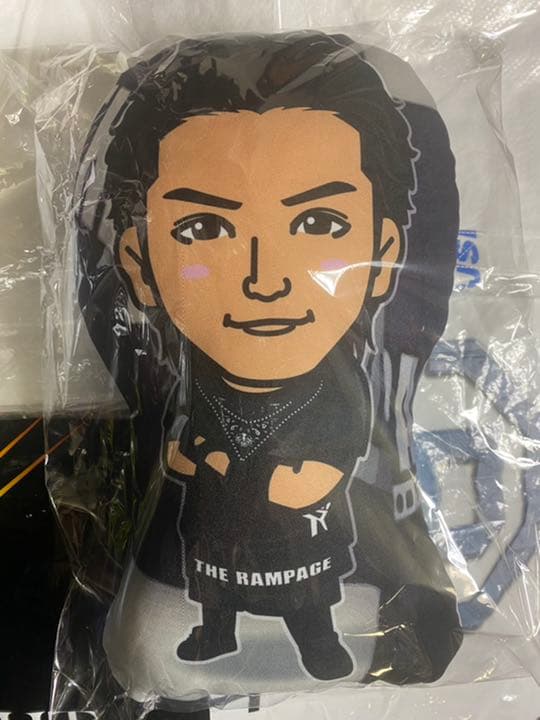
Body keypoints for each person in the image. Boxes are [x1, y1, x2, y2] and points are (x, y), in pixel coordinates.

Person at [76, 31, 462, 686]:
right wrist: (190, 460)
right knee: (212, 588)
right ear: (140, 265)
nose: (265, 279)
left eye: (318, 224)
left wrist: (299, 478)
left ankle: (318, 641)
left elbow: (337, 447)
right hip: (207, 537)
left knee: (309, 598)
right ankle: (216, 630)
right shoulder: (195, 382)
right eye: (204, 228)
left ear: (384, 255)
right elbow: (181, 434)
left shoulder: (338, 392)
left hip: (302, 538)